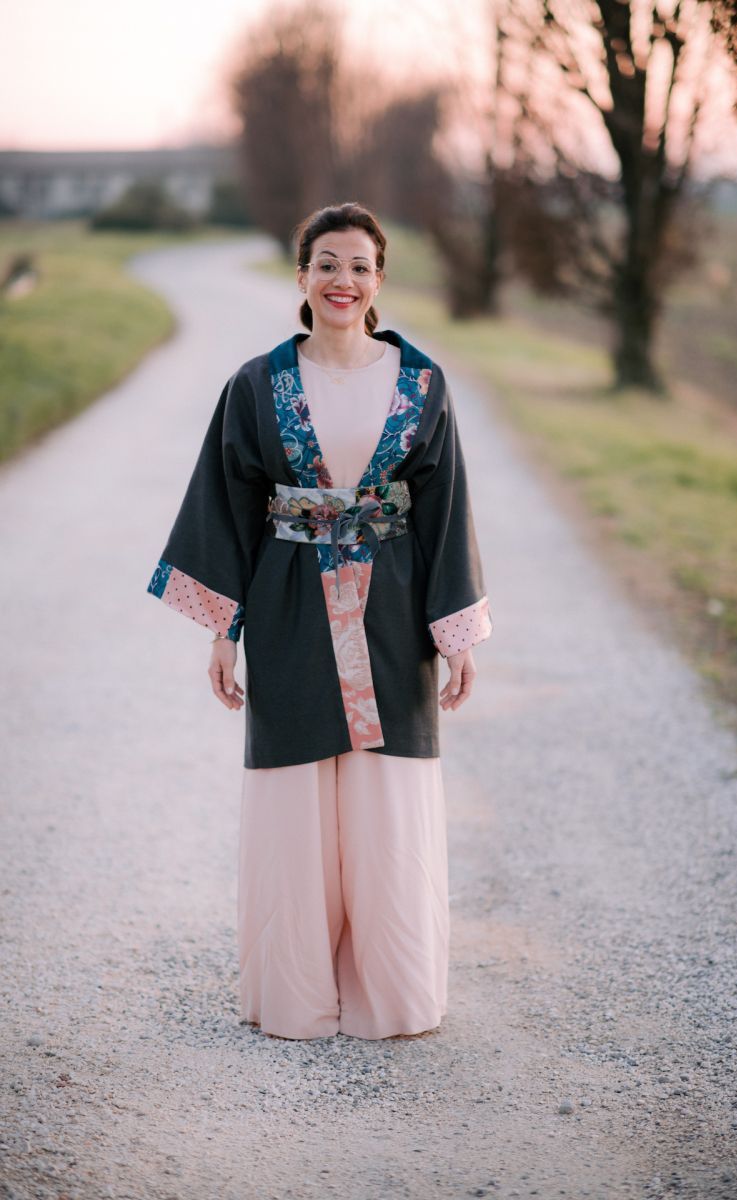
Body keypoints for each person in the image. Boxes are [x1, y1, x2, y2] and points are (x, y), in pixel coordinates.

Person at [146, 201, 493, 1040]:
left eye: (360, 267)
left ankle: (389, 993)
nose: (344, 281)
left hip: (393, 608)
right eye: (327, 264)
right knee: (295, 795)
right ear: (301, 275)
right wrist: (222, 634)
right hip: (290, 602)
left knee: (387, 795)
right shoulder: (257, 384)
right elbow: (225, 506)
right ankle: (296, 994)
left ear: (379, 281)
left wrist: (454, 636)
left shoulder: (421, 383)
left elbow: (445, 510)